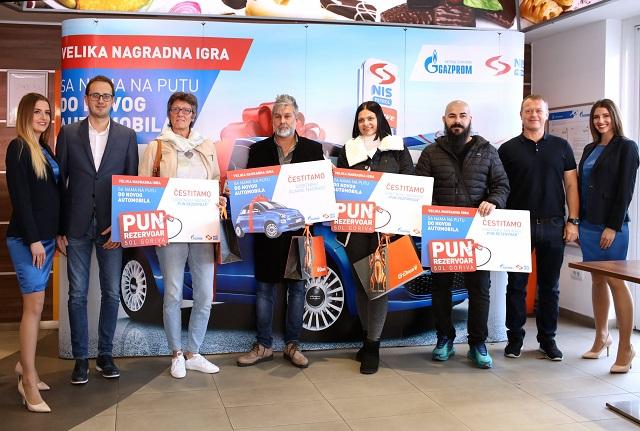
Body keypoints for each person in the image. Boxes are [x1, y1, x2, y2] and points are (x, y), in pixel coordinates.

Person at [56, 75, 139, 384]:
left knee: (112, 293)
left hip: (111, 228)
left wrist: (122, 227)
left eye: (106, 96)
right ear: (86, 98)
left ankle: (105, 355)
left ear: (113, 101)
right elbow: (59, 183)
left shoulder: (127, 136)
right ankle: (80, 359)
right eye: (95, 95)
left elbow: (131, 185)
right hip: (75, 226)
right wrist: (59, 228)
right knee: (77, 294)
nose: (101, 100)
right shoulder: (68, 133)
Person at [415, 100, 509, 369]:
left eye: (462, 116)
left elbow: (501, 185)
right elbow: (420, 188)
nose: (457, 120)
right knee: (440, 288)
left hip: (476, 232)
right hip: (441, 231)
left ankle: (477, 343)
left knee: (479, 290)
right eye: (452, 116)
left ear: (470, 119)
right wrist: (432, 212)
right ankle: (444, 338)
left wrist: (494, 201)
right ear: (444, 119)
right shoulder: (431, 152)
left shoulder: (487, 151)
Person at [139, 92, 223, 378]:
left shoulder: (206, 145)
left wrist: (218, 199)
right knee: (173, 293)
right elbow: (145, 189)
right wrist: (154, 225)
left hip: (202, 228)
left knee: (205, 294)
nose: (181, 114)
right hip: (170, 230)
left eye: (186, 110)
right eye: (176, 109)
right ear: (169, 113)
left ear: (193, 115)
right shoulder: (157, 147)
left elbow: (215, 181)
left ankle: (193, 352)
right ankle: (176, 353)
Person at [236, 94, 324, 369]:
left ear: (296, 119)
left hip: (299, 230)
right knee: (264, 288)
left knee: (297, 289)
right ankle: (263, 346)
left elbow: (321, 191)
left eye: (287, 116)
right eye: (278, 116)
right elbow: (250, 190)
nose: (282, 121)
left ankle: (292, 345)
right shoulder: (258, 150)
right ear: (272, 120)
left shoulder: (313, 149)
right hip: (268, 232)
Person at [498, 94, 579, 361]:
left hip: (554, 225)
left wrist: (573, 220)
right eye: (528, 110)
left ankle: (548, 340)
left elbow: (571, 185)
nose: (533, 114)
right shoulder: (507, 149)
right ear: (521, 115)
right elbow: (499, 186)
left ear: (546, 115)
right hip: (516, 226)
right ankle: (514, 340)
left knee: (550, 287)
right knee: (516, 286)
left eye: (538, 110)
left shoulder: (562, 147)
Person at [336, 101, 414, 374]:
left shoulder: (397, 147)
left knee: (378, 286)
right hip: (356, 228)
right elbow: (341, 188)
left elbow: (409, 185)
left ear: (380, 120)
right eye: (361, 120)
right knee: (361, 285)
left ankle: (373, 346)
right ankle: (367, 337)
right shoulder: (348, 150)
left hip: (386, 229)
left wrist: (397, 222)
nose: (366, 124)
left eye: (370, 118)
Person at [5, 93, 59, 413]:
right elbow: (21, 198)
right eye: (37, 111)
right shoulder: (19, 148)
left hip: (46, 239)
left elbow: (53, 196)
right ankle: (28, 380)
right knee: (34, 306)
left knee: (36, 306)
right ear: (25, 114)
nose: (43, 117)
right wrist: (35, 239)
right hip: (29, 241)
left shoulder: (44, 148)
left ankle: (24, 367)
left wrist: (57, 233)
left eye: (47, 112)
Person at [578, 99, 639, 373]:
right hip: (588, 225)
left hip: (612, 227)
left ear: (614, 117)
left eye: (605, 116)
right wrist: (577, 222)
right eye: (596, 117)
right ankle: (602, 337)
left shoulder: (627, 147)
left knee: (616, 281)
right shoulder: (590, 148)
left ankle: (626, 348)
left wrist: (612, 226)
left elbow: (625, 190)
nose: (600, 121)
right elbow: (584, 187)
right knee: (597, 280)